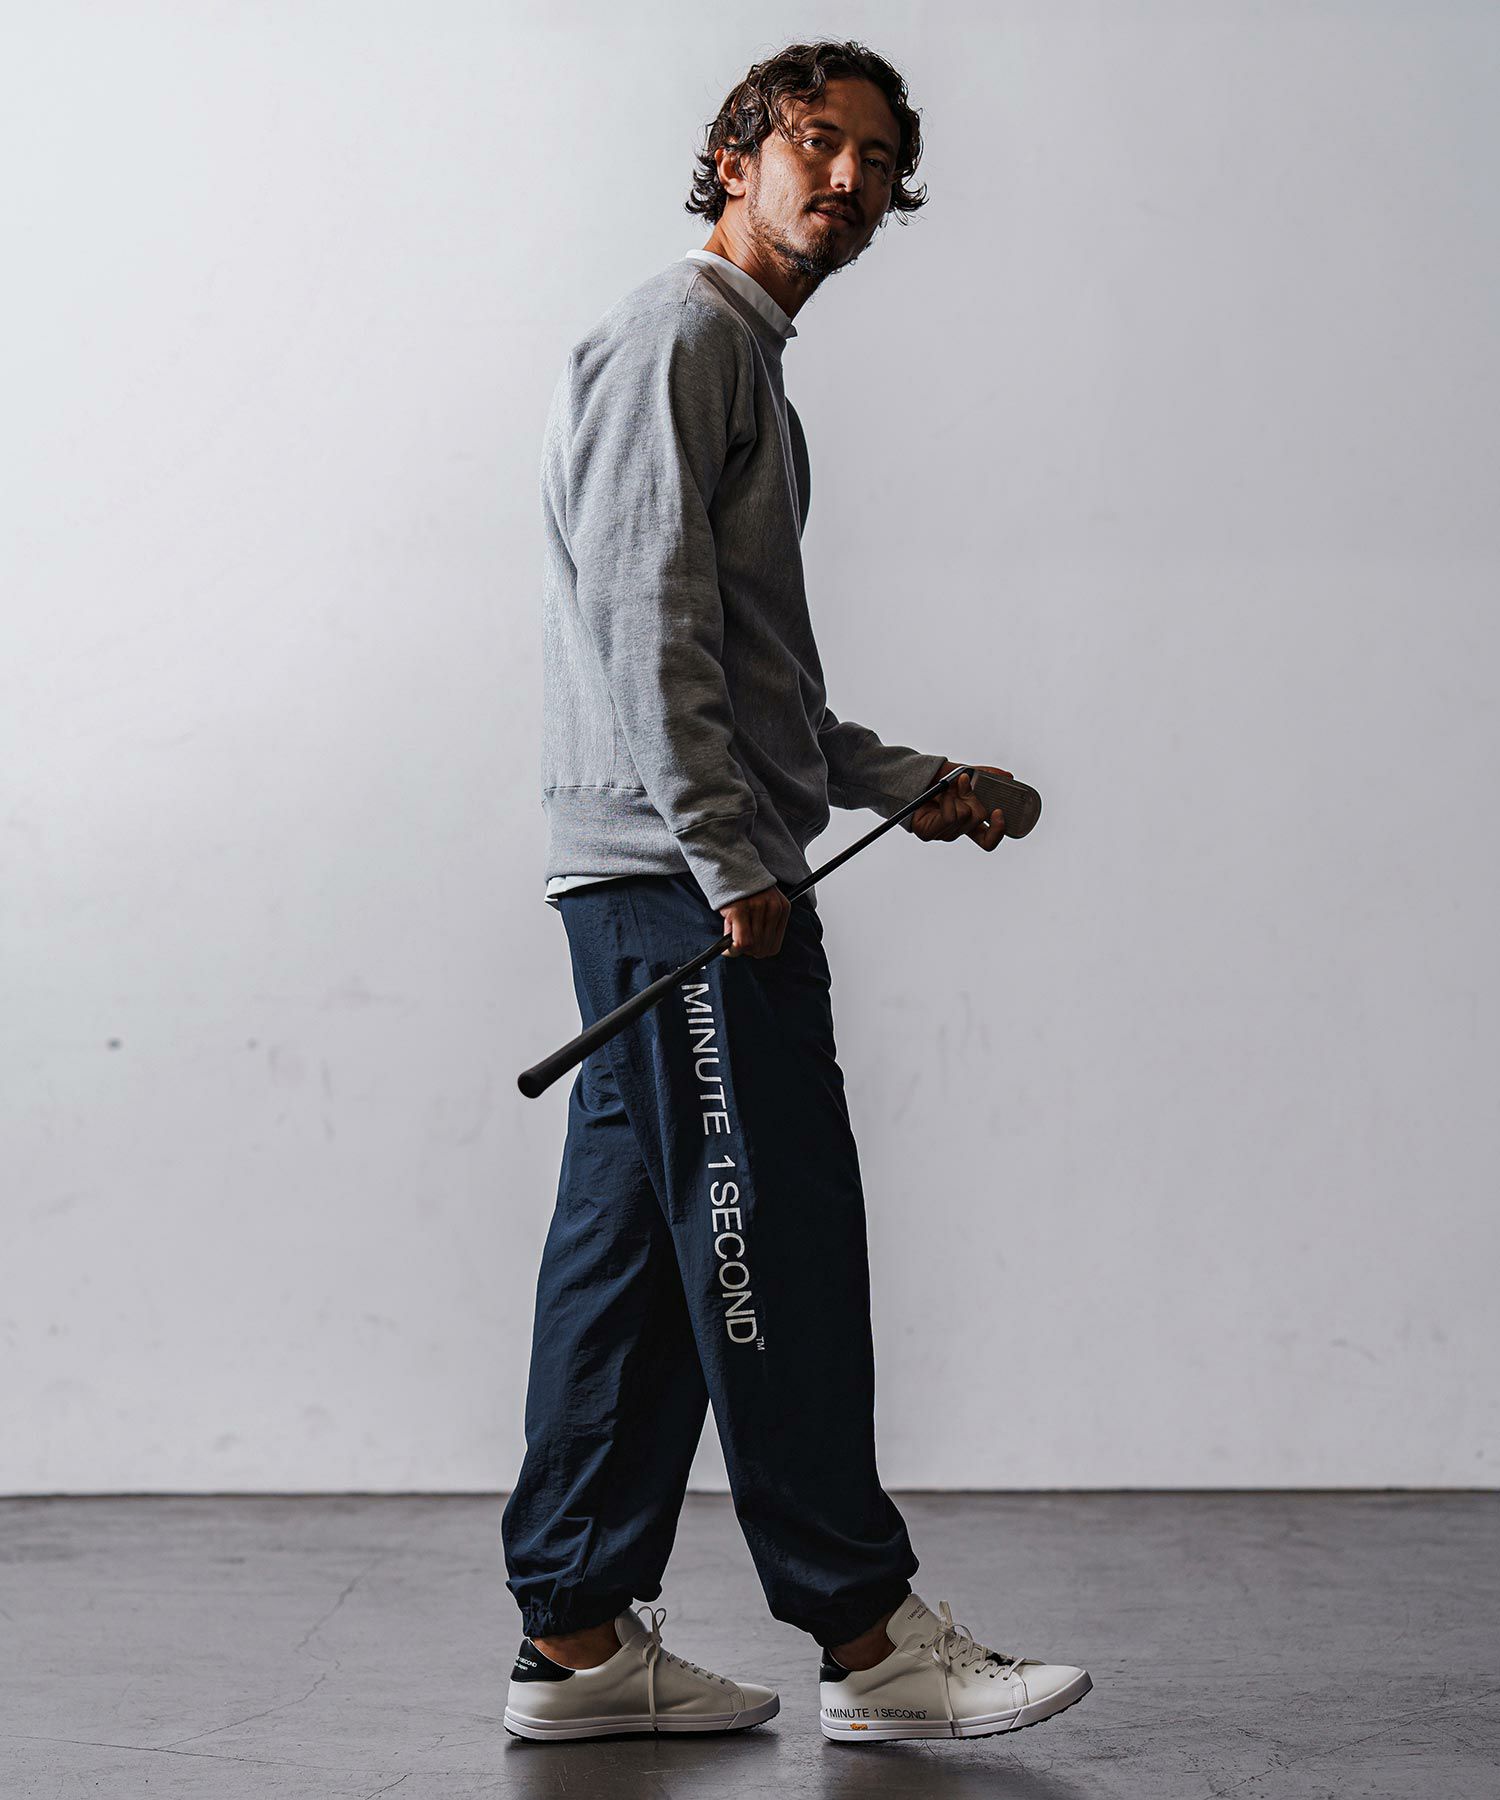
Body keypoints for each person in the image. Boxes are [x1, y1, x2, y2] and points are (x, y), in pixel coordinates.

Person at [501, 38, 1092, 1744]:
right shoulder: (682, 339)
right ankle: (867, 1638)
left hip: (670, 878)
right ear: (735, 154)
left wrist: (908, 782)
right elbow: (644, 631)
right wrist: (731, 857)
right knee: (779, 1242)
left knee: (636, 1261)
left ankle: (577, 1639)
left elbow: (749, 682)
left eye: (880, 162)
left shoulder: (735, 358)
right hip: (690, 894)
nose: (849, 180)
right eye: (818, 142)